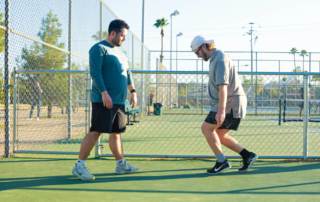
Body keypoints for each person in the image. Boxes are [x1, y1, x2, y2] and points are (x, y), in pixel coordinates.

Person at [72, 19, 140, 181]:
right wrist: (104, 93)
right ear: (113, 33)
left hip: (118, 100)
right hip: (103, 99)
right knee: (96, 131)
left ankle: (121, 165)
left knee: (116, 133)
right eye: (122, 36)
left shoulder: (121, 52)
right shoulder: (98, 49)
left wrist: (133, 91)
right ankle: (79, 166)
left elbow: (127, 72)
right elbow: (95, 73)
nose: (124, 39)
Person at [191, 35, 258, 175]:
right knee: (220, 135)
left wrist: (221, 111)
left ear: (204, 46)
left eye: (197, 52)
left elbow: (223, 86)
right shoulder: (215, 58)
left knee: (206, 129)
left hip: (230, 103)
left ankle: (222, 162)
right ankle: (247, 156)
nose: (197, 56)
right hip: (230, 102)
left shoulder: (220, 59)